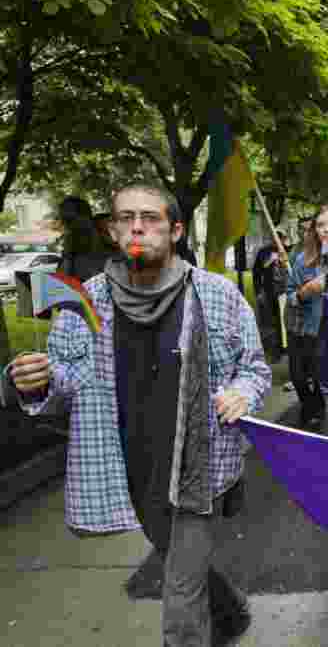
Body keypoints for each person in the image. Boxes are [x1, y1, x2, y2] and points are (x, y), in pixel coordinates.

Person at [5, 182, 270, 646]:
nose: (137, 227)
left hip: (196, 467)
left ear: (175, 229)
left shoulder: (218, 296)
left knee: (181, 604)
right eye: (126, 218)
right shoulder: (82, 302)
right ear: (111, 230)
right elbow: (67, 380)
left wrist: (243, 393)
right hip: (128, 465)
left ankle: (202, 627)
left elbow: (253, 368)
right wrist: (39, 380)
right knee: (178, 557)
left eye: (150, 218)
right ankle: (230, 610)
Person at [286, 206, 328, 432]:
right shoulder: (302, 260)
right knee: (299, 376)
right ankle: (312, 410)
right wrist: (304, 292)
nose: (326, 229)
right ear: (315, 230)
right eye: (320, 225)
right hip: (305, 328)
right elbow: (290, 294)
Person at [57, 196, 116, 283]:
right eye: (63, 220)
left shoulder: (107, 233)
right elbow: (62, 283)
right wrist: (67, 256)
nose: (65, 225)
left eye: (69, 220)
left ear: (85, 216)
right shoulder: (71, 247)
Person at [253, 232, 290, 364]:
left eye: (280, 238)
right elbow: (256, 272)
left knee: (286, 321)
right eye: (274, 238)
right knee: (272, 322)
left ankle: (288, 349)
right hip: (270, 292)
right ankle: (276, 351)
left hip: (286, 292)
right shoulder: (264, 252)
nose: (277, 241)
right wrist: (258, 291)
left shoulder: (289, 250)